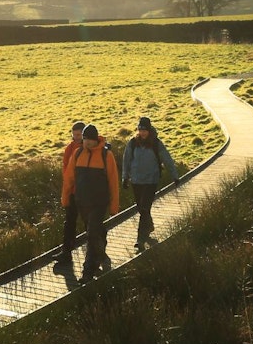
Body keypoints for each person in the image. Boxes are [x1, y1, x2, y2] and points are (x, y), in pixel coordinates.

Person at [62, 124, 120, 282]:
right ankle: (100, 252)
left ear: (96, 140)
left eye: (89, 139)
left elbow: (113, 182)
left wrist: (114, 206)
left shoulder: (106, 156)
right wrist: (65, 197)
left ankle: (88, 272)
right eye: (85, 139)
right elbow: (69, 179)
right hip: (82, 202)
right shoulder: (77, 153)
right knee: (95, 231)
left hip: (99, 203)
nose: (86, 142)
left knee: (91, 233)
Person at [122, 116, 179, 249]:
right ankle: (150, 225)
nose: (142, 132)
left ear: (149, 130)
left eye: (145, 130)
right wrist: (125, 177)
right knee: (141, 209)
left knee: (144, 207)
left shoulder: (156, 143)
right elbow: (126, 160)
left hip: (151, 180)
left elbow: (167, 159)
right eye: (140, 130)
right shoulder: (132, 143)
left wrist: (175, 176)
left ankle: (140, 239)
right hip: (136, 180)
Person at [59, 121, 87, 264]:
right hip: (72, 191)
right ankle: (66, 253)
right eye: (74, 134)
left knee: (90, 223)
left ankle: (98, 251)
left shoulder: (89, 148)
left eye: (79, 134)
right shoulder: (69, 149)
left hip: (86, 192)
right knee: (69, 223)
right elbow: (65, 169)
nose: (76, 137)